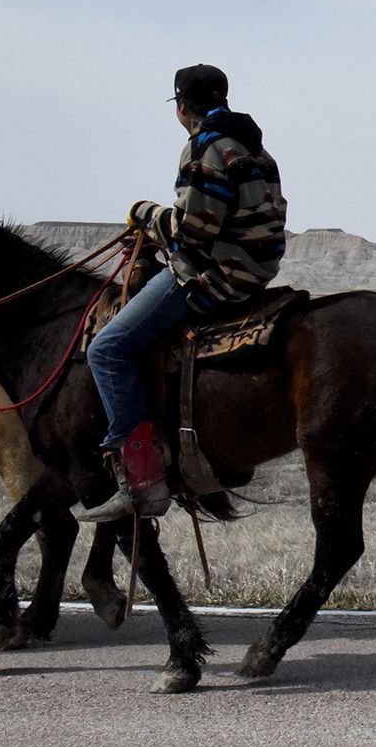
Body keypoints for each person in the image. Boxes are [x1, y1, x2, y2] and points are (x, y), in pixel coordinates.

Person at [75, 65, 287, 523]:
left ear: (182, 108)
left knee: (108, 349)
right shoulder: (256, 146)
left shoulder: (205, 147)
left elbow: (192, 233)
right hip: (255, 273)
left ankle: (144, 481)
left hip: (213, 278)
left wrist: (143, 214)